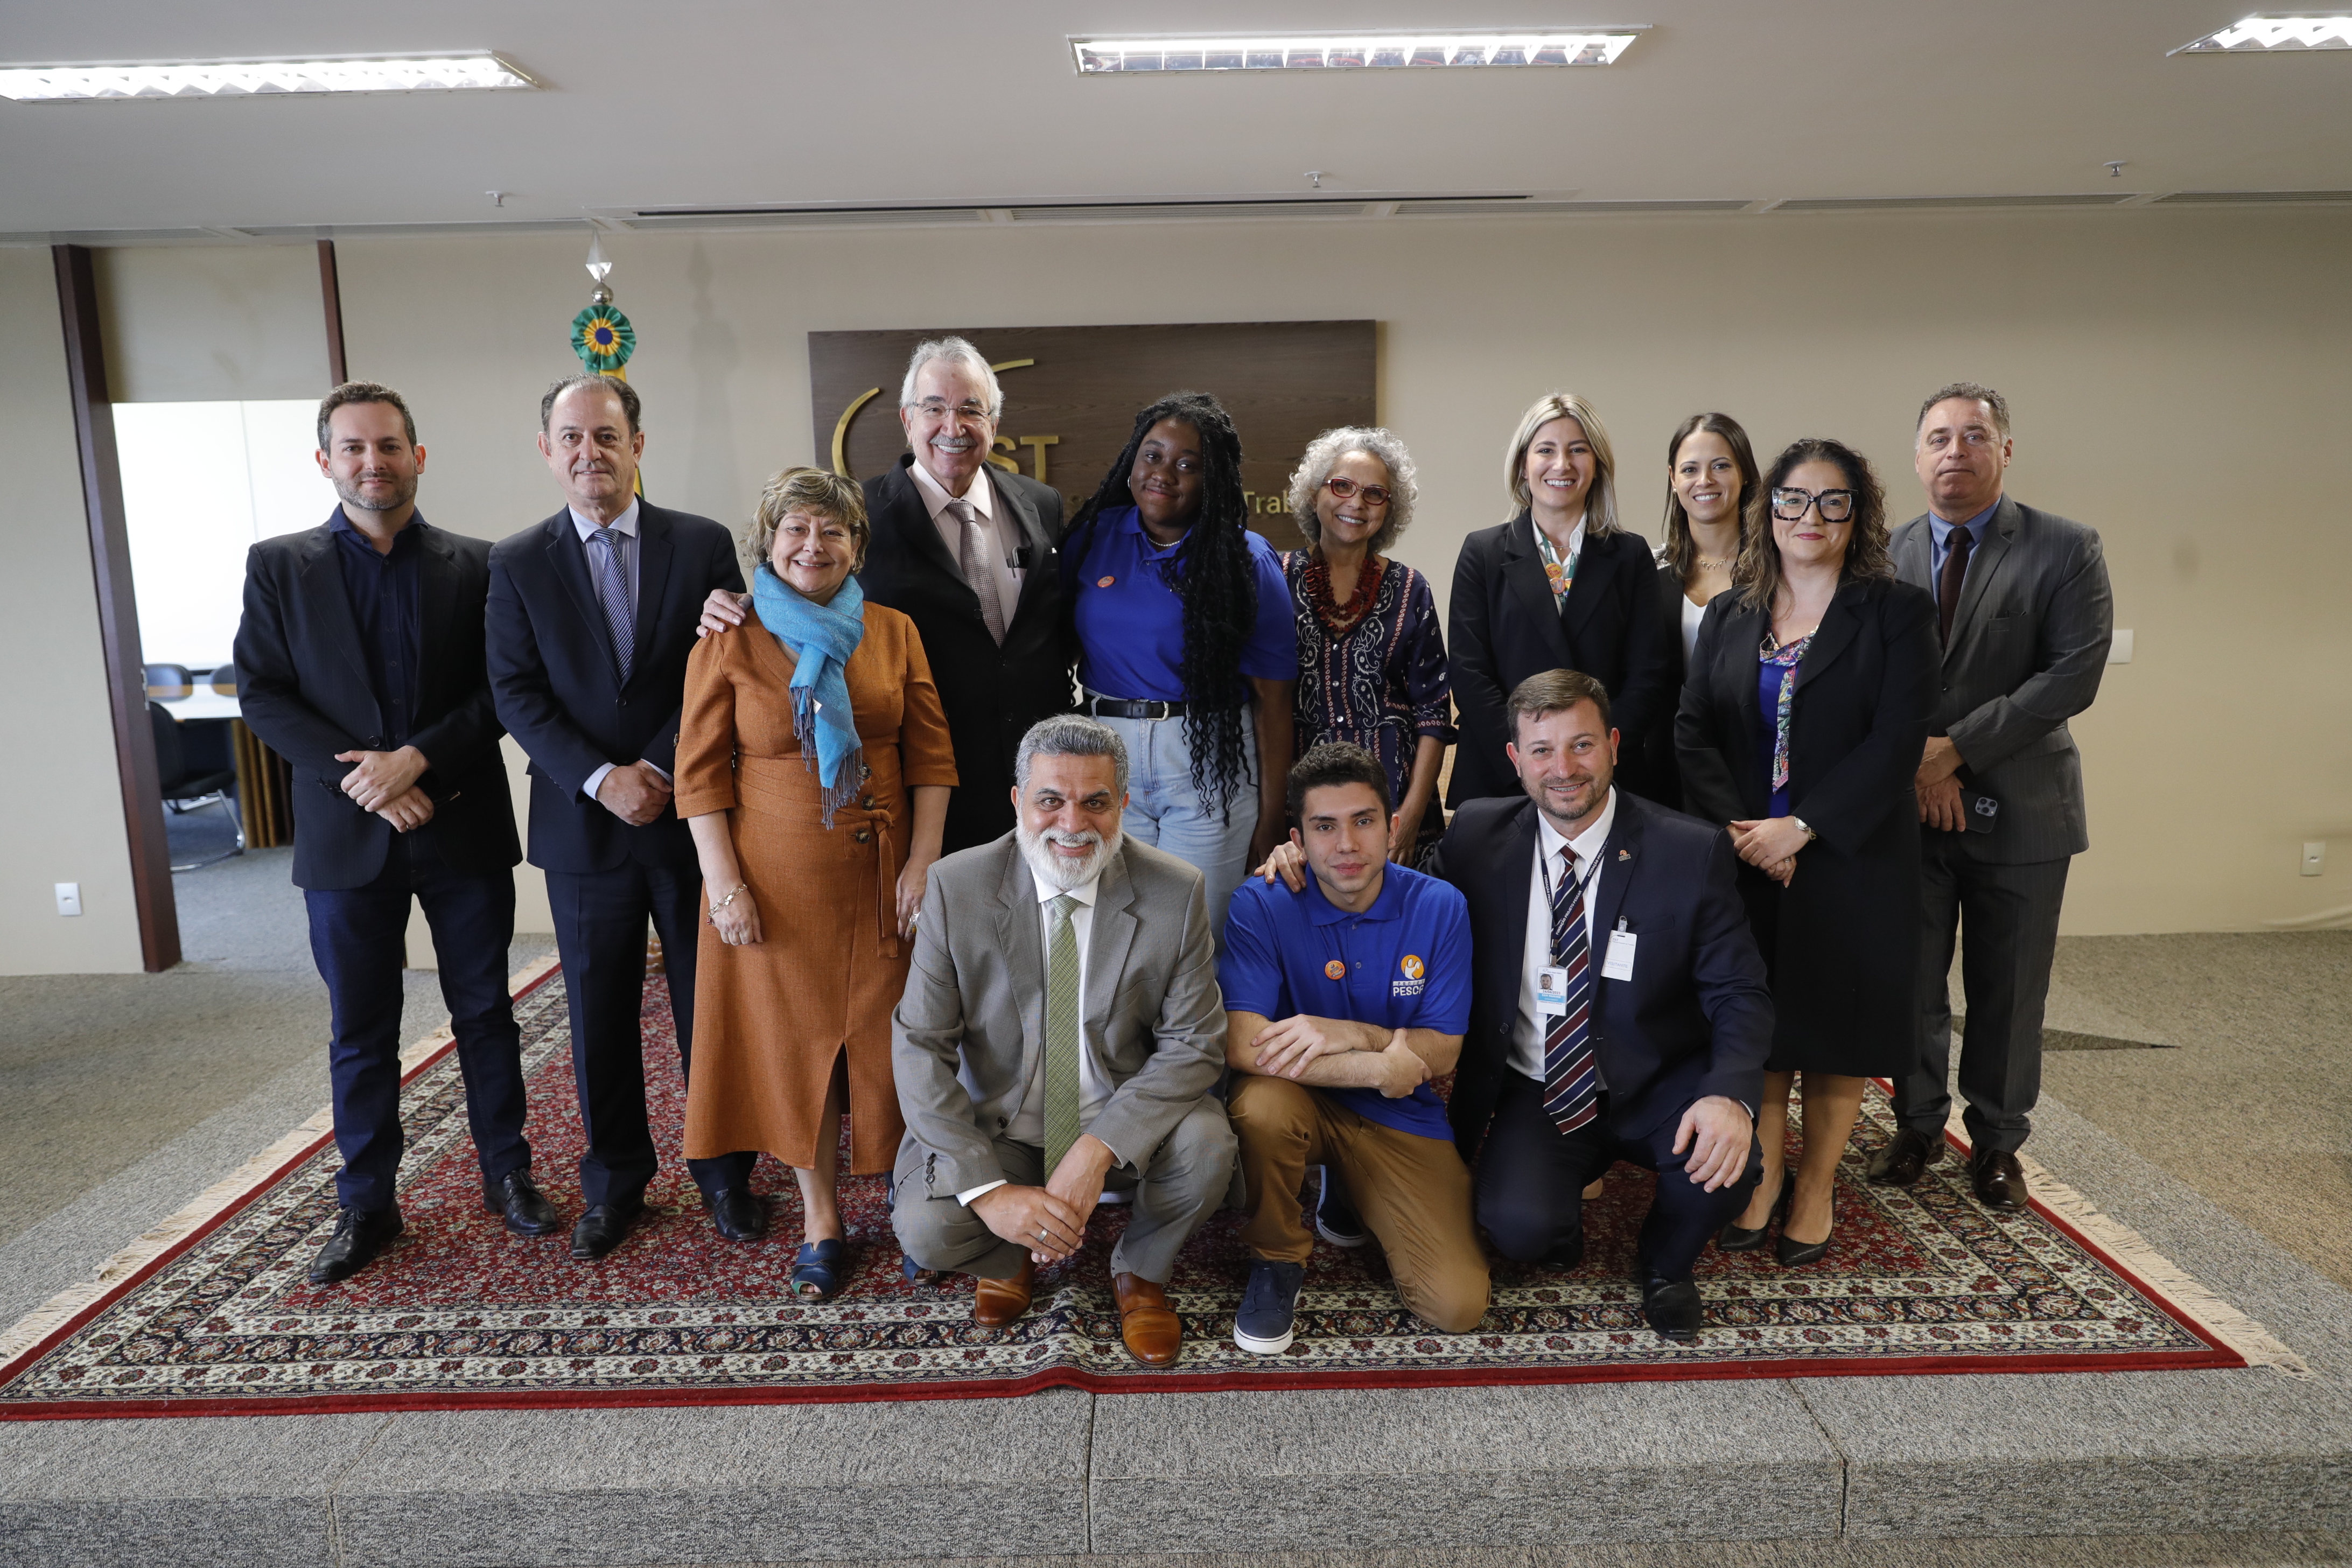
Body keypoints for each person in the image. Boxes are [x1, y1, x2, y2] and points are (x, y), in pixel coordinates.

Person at [235, 381, 550, 1284]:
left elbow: (502, 689)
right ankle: (366, 1203)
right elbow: (262, 691)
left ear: (420, 455)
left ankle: (509, 1176)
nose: (372, 461)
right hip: (346, 839)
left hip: (459, 823)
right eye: (353, 447)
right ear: (326, 460)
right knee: (361, 1029)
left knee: (486, 1013)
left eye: (389, 445)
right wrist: (367, 780)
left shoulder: (480, 564)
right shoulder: (278, 566)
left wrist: (416, 760)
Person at [486, 374, 757, 1261]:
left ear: (637, 443)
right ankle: (617, 1182)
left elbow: (726, 667)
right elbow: (515, 693)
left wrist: (655, 765)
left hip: (691, 815)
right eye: (570, 438)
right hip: (582, 825)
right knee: (597, 1014)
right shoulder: (517, 561)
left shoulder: (702, 543)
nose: (587, 453)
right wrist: (603, 777)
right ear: (547, 451)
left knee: (707, 1005)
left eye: (604, 436)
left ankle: (724, 1173)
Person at [675, 467, 955, 1300]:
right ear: (769, 544)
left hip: (884, 884)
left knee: (898, 1048)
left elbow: (933, 758)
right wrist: (723, 885)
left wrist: (925, 860)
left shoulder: (895, 632)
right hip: (774, 889)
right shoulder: (728, 639)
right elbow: (699, 781)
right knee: (795, 1052)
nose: (813, 546)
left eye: (832, 532)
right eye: (796, 530)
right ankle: (821, 1218)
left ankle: (914, 1207)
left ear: (858, 546)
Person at [1432, 670, 1772, 1342]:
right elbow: (1403, 907)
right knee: (1518, 1229)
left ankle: (1666, 1262)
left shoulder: (1688, 849)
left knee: (1731, 1164)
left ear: (1614, 745)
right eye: (1541, 750)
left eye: (1582, 745)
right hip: (1541, 1086)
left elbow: (1740, 990)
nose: (1563, 769)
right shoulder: (1476, 834)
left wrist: (1732, 1096)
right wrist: (1305, 866)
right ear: (1514, 760)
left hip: (1659, 1077)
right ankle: (1561, 1209)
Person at [892, 715, 1236, 1367]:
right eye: (1051, 799)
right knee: (926, 1227)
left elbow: (1196, 1043)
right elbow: (919, 1045)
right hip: (1002, 1123)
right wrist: (989, 1195)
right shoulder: (956, 886)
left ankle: (1140, 1269)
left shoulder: (1175, 890)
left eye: (1095, 801)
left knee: (1208, 1146)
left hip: (1120, 1119)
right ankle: (1011, 1249)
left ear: (1123, 805)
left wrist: (1098, 1148)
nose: (1072, 821)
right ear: (1019, 800)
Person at [1675, 438, 1938, 1265]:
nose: (1809, 517)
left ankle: (1816, 1185)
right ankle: (1761, 1179)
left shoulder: (1896, 613)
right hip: (1749, 856)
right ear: (1769, 508)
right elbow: (1693, 732)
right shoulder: (1731, 610)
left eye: (1832, 501)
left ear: (1857, 515)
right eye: (1793, 499)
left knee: (1835, 1030)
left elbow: (1897, 743)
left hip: (1851, 859)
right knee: (1759, 1026)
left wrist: (1806, 827)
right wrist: (1749, 832)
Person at [1869, 384, 2113, 1210]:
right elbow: (1866, 680)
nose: (1955, 452)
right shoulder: (1886, 553)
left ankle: (1999, 1142)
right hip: (1910, 811)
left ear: (2004, 450)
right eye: (1938, 437)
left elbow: (2071, 675)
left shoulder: (2065, 548)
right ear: (1916, 456)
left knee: (2009, 990)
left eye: (1975, 436)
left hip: (2024, 810)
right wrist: (1917, 767)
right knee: (1911, 981)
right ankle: (1917, 1124)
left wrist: (1956, 755)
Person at [697, 337, 1071, 854]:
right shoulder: (855, 515)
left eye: (970, 410)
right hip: (926, 780)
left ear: (994, 422)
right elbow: (799, 584)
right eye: (934, 408)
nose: (952, 426)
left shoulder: (1041, 503)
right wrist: (741, 602)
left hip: (1042, 775)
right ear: (906, 419)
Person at [1220, 743, 1486, 1353]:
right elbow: (1242, 1045)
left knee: (1457, 1304)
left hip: (1399, 1112)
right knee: (1260, 1106)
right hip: (1299, 1098)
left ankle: (1346, 1193)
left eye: (1363, 821)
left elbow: (1442, 1051)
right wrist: (1376, 1064)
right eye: (1324, 826)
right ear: (1298, 838)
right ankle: (1276, 1257)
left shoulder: (1440, 906)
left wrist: (1353, 1033)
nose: (1345, 843)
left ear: (1392, 826)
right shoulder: (1260, 903)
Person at [1059, 392, 1298, 926]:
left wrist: (1271, 819)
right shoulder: (1095, 537)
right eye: (1153, 455)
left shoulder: (1246, 559)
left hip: (1205, 768)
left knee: (1198, 941)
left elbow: (1274, 701)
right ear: (1131, 462)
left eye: (1187, 464)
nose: (1163, 473)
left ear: (1213, 481)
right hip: (1107, 764)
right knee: (1113, 935)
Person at [1447, 393, 1675, 810]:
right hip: (1504, 777)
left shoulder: (1630, 555)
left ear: (1598, 465)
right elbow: (1468, 674)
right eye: (1546, 450)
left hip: (1605, 780)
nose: (1562, 465)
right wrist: (1531, 763)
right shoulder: (1482, 553)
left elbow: (1647, 674)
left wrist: (1595, 761)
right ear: (1522, 464)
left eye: (1578, 450)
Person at [1278, 426, 1452, 862]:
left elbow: (1434, 713)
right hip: (1301, 809)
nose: (1356, 503)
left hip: (1394, 805)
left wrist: (1410, 816)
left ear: (1389, 510)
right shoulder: (1275, 577)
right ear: (1314, 494)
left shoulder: (1411, 587)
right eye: (1342, 486)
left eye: (1375, 494)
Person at [1644, 413, 1761, 809]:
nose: (1705, 480)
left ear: (1744, 473)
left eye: (1721, 466)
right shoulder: (1647, 572)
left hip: (1753, 766)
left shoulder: (1779, 572)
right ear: (1673, 479)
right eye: (1690, 469)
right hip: (1662, 771)